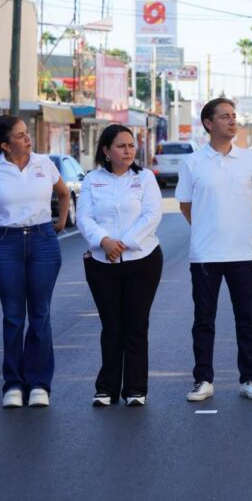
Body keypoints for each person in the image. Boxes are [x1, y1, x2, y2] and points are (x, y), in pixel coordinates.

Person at [176, 98, 252, 403]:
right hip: (205, 256)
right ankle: (203, 380)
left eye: (234, 116)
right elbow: (186, 205)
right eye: (225, 117)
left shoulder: (250, 160)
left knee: (247, 319)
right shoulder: (192, 162)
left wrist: (237, 225)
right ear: (208, 123)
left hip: (243, 253)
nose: (233, 121)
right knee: (204, 320)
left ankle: (249, 379)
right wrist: (207, 228)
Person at [0, 115, 70, 408]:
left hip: (42, 241)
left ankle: (40, 383)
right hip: (6, 243)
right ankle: (13, 384)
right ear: (4, 144)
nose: (27, 138)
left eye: (27, 133)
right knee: (13, 317)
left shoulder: (44, 163)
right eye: (20, 135)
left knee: (40, 314)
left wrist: (60, 223)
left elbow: (64, 193)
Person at [77, 124, 163, 407]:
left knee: (136, 325)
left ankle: (136, 389)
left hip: (142, 261)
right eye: (120, 146)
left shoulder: (145, 178)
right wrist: (104, 242)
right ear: (106, 150)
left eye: (130, 145)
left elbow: (151, 215)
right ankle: (107, 388)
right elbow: (84, 217)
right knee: (111, 327)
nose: (128, 151)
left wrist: (122, 243)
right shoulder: (92, 180)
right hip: (102, 263)